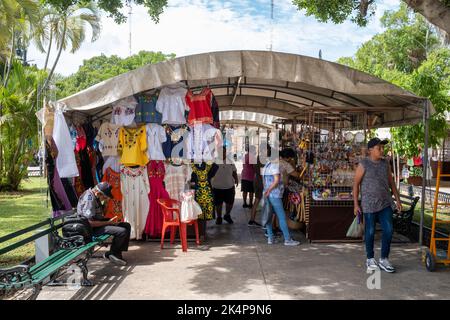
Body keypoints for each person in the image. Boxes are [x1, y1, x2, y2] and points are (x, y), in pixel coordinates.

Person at [353, 138, 402, 273]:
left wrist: (397, 200)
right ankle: (370, 258)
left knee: (389, 230)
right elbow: (356, 184)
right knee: (370, 232)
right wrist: (356, 204)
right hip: (369, 205)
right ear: (370, 150)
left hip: (385, 203)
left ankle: (384, 259)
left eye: (382, 148)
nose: (382, 150)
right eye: (379, 148)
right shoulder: (364, 164)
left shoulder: (385, 163)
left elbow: (391, 183)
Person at [77, 182, 131, 266]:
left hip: (97, 224)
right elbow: (89, 223)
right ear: (98, 193)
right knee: (122, 231)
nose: (105, 199)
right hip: (90, 230)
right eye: (105, 197)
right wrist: (108, 222)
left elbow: (99, 215)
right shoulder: (89, 199)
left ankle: (117, 253)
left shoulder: (95, 196)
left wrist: (105, 205)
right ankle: (112, 253)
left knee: (126, 226)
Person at [262, 147, 300, 246]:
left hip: (267, 193)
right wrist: (270, 190)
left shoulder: (267, 165)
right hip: (275, 194)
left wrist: (266, 190)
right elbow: (277, 180)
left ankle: (270, 238)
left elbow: (264, 180)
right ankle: (287, 239)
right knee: (282, 217)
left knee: (269, 215)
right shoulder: (277, 165)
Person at [211, 148, 239, 224]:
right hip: (217, 187)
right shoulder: (214, 161)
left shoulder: (230, 161)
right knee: (218, 204)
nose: (222, 153)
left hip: (229, 186)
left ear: (226, 152)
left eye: (224, 152)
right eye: (220, 151)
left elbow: (234, 171)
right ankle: (219, 217)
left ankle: (227, 215)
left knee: (230, 203)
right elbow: (210, 173)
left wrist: (236, 179)